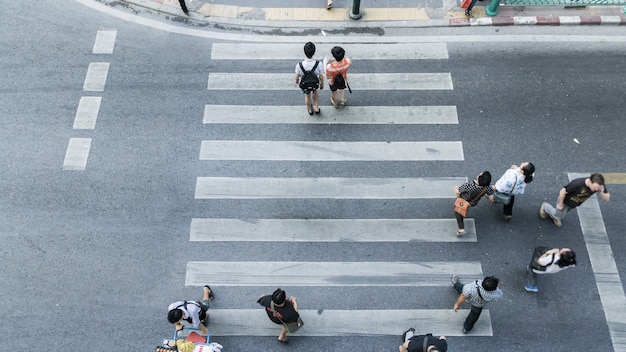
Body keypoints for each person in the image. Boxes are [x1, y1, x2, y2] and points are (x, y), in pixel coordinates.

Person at [540, 173, 610, 227]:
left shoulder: (599, 186)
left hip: (575, 203)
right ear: (590, 181)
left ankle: (556, 215)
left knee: (564, 212)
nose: (596, 190)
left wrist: (601, 191)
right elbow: (562, 192)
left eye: (598, 188)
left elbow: (606, 199)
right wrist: (560, 204)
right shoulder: (577, 184)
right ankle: (546, 207)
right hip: (565, 201)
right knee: (559, 215)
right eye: (595, 188)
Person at [453, 171, 493, 236]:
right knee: (466, 207)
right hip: (473, 202)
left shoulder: (469, 185)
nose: (480, 172)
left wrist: (455, 187)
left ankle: (461, 229)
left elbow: (457, 192)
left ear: (479, 177)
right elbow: (489, 195)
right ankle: (466, 209)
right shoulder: (486, 187)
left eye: (481, 173)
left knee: (458, 212)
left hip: (463, 201)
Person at [295, 42, 325, 115]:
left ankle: (310, 109)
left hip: (305, 84)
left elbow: (297, 76)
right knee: (315, 93)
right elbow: (321, 76)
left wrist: (297, 81)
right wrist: (322, 84)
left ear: (304, 52)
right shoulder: (318, 64)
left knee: (307, 95)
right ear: (314, 52)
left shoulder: (299, 65)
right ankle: (316, 107)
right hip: (314, 83)